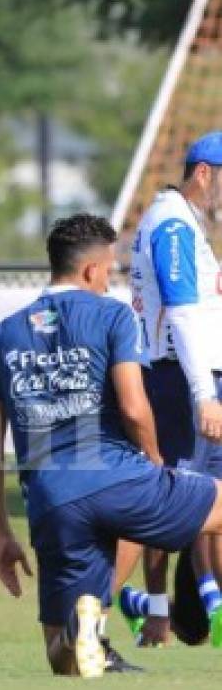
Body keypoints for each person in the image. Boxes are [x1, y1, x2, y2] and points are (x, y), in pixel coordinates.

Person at [0, 212, 222, 678]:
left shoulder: (2, 335)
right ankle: (102, 616)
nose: (109, 279)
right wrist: (153, 462)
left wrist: (0, 532)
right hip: (118, 477)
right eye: (109, 270)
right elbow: (133, 407)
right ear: (91, 271)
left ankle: (86, 629)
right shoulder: (111, 315)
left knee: (60, 656)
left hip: (51, 500)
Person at [121, 132, 222, 646]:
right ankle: (142, 611)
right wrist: (205, 393)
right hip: (180, 378)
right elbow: (181, 314)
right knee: (166, 497)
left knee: (198, 501)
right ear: (204, 172)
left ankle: (176, 612)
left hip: (187, 375)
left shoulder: (186, 223)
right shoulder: (174, 223)